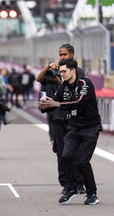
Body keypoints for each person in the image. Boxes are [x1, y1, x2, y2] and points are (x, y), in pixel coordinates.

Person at [39, 59, 101, 205]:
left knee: (82, 161)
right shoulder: (63, 86)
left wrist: (56, 104)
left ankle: (92, 193)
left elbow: (79, 103)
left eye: (64, 71)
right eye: (60, 72)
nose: (62, 74)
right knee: (65, 156)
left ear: (73, 70)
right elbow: (54, 102)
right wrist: (45, 105)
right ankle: (71, 188)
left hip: (90, 128)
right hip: (74, 128)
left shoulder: (86, 84)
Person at [37, 43, 85, 195]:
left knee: (76, 151)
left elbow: (78, 91)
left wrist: (61, 82)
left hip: (72, 117)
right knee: (61, 152)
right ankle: (66, 182)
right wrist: (47, 68)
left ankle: (79, 182)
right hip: (57, 117)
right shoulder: (54, 71)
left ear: (71, 55)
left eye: (64, 54)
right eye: (60, 55)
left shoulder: (77, 71)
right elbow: (39, 79)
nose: (62, 57)